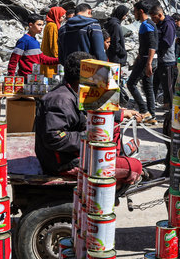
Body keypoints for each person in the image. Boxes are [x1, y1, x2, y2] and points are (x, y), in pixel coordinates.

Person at [34, 51, 144, 182]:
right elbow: (54, 137)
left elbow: (92, 112)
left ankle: (118, 155)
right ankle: (120, 162)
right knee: (135, 166)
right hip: (63, 162)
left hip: (73, 152)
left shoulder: (74, 92)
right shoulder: (60, 100)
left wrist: (119, 113)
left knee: (112, 124)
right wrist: (90, 136)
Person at [127, 2, 158, 125]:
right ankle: (151, 115)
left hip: (147, 60)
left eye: (134, 11)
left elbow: (152, 45)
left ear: (140, 11)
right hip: (148, 58)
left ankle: (144, 111)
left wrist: (148, 63)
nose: (134, 14)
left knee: (131, 84)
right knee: (147, 87)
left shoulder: (147, 25)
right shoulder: (148, 24)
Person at [150, 5, 177, 108]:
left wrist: (155, 47)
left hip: (167, 60)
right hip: (160, 59)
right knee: (156, 83)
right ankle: (158, 104)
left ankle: (171, 107)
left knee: (168, 86)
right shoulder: (161, 24)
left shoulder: (168, 25)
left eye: (154, 18)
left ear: (160, 15)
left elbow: (167, 42)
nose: (153, 20)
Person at [41, 6, 66, 77]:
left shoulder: (48, 25)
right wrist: (59, 58)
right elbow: (54, 45)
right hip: (51, 61)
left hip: (47, 58)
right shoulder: (53, 26)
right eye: (62, 16)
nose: (63, 19)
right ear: (56, 15)